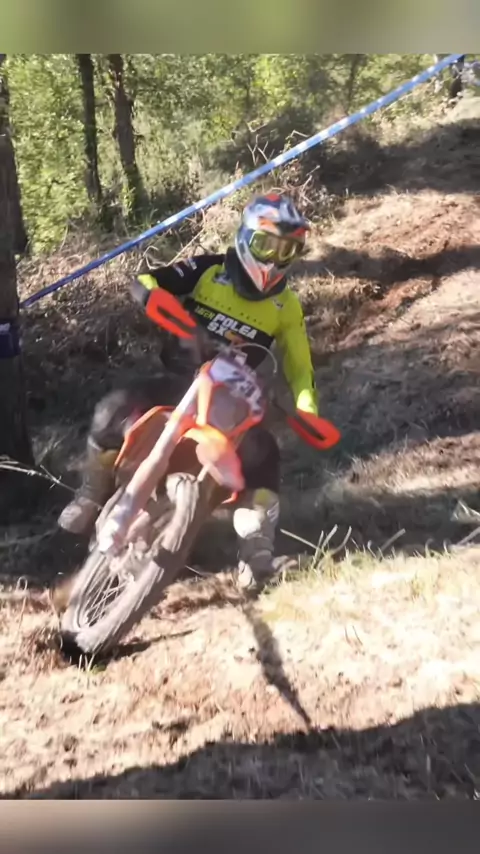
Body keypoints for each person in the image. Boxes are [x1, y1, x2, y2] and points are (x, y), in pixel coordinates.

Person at [58, 193, 319, 593]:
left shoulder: (286, 305)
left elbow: (300, 366)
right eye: (266, 245)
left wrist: (307, 408)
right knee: (112, 410)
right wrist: (153, 298)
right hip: (178, 383)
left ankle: (256, 554)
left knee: (265, 454)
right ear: (245, 238)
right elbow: (146, 280)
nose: (273, 259)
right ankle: (91, 494)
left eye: (287, 250)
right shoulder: (208, 271)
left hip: (229, 401)